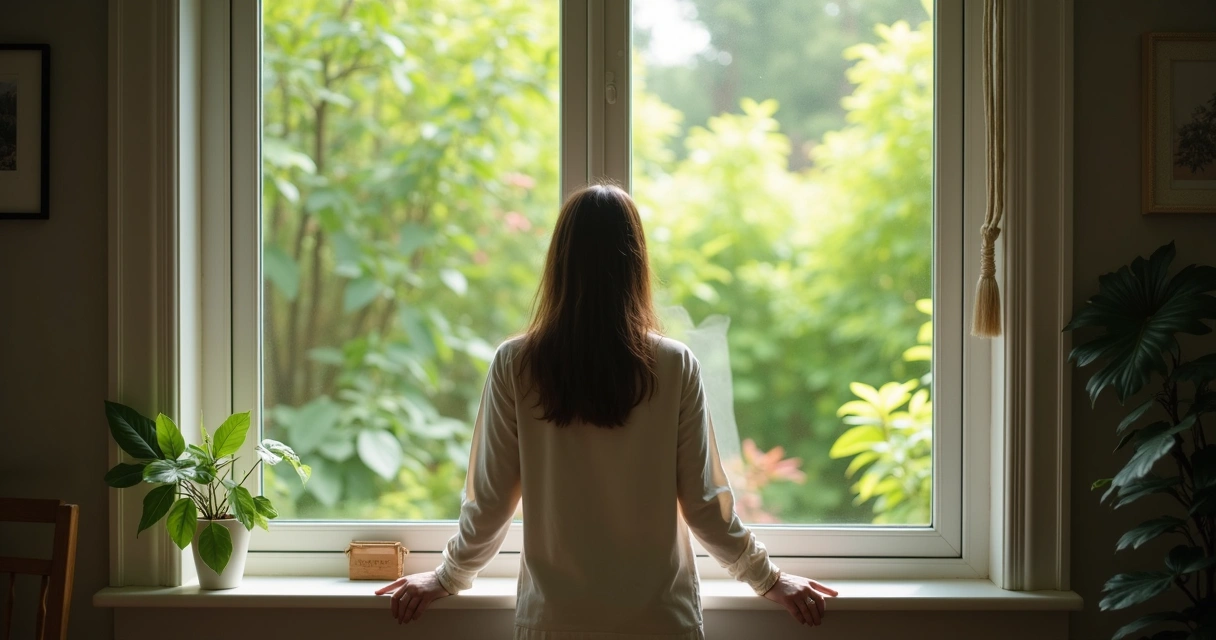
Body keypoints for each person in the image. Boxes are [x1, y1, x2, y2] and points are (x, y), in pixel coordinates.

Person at [376, 184, 837, 638]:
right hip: (659, 622)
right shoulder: (674, 365)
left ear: (559, 263)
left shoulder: (516, 364)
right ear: (635, 264)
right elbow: (704, 503)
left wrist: (447, 576)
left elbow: (490, 501)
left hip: (554, 621)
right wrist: (770, 580)